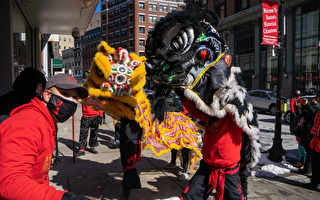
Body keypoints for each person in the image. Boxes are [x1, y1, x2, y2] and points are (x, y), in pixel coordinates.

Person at [0, 73, 90, 200]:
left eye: (75, 97)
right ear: (47, 95)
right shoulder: (27, 124)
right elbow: (10, 182)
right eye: (65, 94)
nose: (71, 101)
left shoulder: (48, 122)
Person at [118, 117, 143, 200]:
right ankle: (136, 182)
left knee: (129, 165)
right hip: (124, 137)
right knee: (125, 163)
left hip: (133, 140)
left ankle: (126, 189)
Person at [289, 90, 306, 169]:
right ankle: (301, 162)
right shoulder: (294, 100)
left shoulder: (303, 114)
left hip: (302, 134)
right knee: (300, 149)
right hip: (299, 133)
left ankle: (304, 163)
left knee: (303, 149)